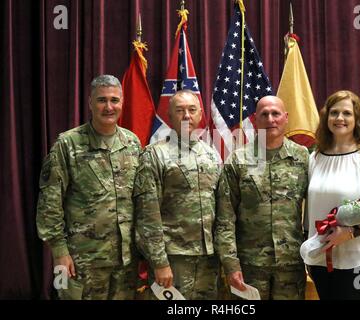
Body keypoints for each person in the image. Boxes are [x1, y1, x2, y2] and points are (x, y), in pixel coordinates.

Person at [36, 75, 142, 300]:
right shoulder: (68, 144)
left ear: (122, 102)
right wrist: (59, 252)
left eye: (114, 100)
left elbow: (141, 201)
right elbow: (49, 203)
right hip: (80, 261)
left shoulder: (132, 143)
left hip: (125, 262)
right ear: (90, 103)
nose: (109, 107)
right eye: (102, 100)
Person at [214, 95, 309, 300]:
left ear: (286, 117)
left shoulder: (303, 158)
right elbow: (224, 219)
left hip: (290, 265)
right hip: (249, 267)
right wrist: (230, 264)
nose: (270, 119)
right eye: (264, 114)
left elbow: (316, 207)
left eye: (275, 113)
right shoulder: (238, 160)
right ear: (256, 120)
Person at [304, 90, 360, 300]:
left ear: (357, 119)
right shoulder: (316, 156)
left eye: (347, 113)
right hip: (321, 260)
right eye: (334, 113)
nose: (339, 118)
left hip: (358, 258)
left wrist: (350, 232)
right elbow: (309, 208)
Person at [133, 89, 221, 300]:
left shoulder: (210, 154)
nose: (187, 116)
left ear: (201, 115)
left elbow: (221, 207)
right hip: (173, 258)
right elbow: (148, 214)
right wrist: (160, 262)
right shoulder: (155, 154)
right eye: (180, 111)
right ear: (170, 116)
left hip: (208, 258)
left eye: (192, 110)